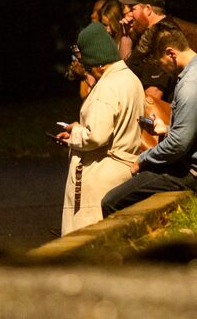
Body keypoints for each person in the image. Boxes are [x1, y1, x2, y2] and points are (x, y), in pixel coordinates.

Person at [101, 25, 197, 217]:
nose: (163, 70)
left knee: (110, 201)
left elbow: (178, 145)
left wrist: (143, 160)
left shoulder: (192, 83)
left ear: (171, 53)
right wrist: (166, 129)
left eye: (161, 63)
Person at [56, 21, 146, 235]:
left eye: (90, 67)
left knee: (87, 237)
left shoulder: (107, 87)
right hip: (125, 169)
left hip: (100, 174)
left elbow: (96, 137)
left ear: (100, 64)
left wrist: (75, 132)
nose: (89, 73)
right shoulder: (131, 79)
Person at [118, 0, 197, 103]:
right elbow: (127, 70)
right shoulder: (149, 33)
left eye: (133, 9)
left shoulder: (161, 37)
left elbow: (152, 97)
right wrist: (126, 36)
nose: (129, 15)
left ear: (147, 9)